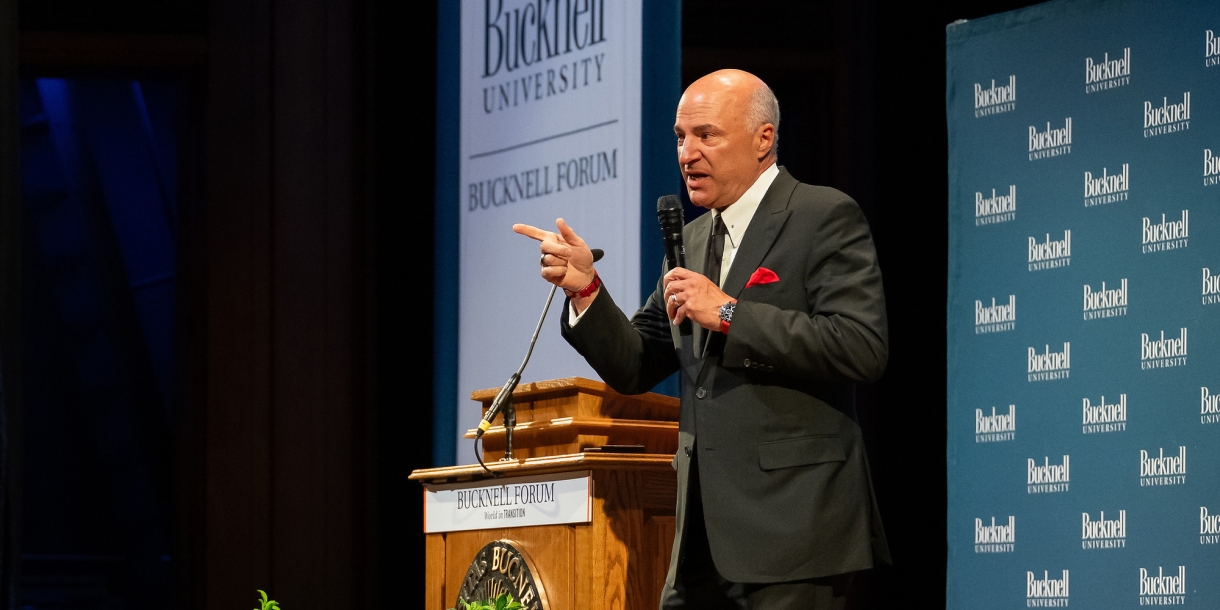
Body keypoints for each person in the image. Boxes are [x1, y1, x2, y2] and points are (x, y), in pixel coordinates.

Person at [513, 69, 889, 609]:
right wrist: (586, 289)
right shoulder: (690, 236)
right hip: (700, 542)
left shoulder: (822, 214)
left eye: (706, 135)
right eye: (680, 137)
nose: (687, 153)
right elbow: (637, 364)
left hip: (795, 532)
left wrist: (731, 312)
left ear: (764, 139)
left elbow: (860, 345)